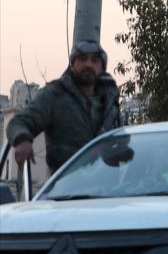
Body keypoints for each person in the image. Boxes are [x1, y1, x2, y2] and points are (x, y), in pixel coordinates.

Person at [6, 40, 121, 173]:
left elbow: (121, 143)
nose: (88, 64)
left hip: (108, 186)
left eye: (94, 60)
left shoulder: (109, 101)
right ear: (72, 64)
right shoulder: (55, 94)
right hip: (65, 185)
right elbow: (19, 122)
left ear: (102, 67)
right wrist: (22, 140)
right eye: (82, 59)